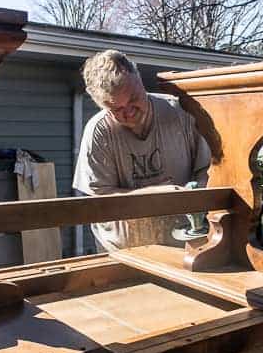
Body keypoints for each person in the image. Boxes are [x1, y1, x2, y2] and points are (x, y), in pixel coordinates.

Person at [73, 50, 210, 252]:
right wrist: (159, 195)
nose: (128, 112)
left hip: (183, 246)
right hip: (122, 251)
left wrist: (198, 192)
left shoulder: (181, 113)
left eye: (133, 99)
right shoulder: (98, 132)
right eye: (115, 109)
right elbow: (101, 201)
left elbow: (207, 168)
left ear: (140, 81)